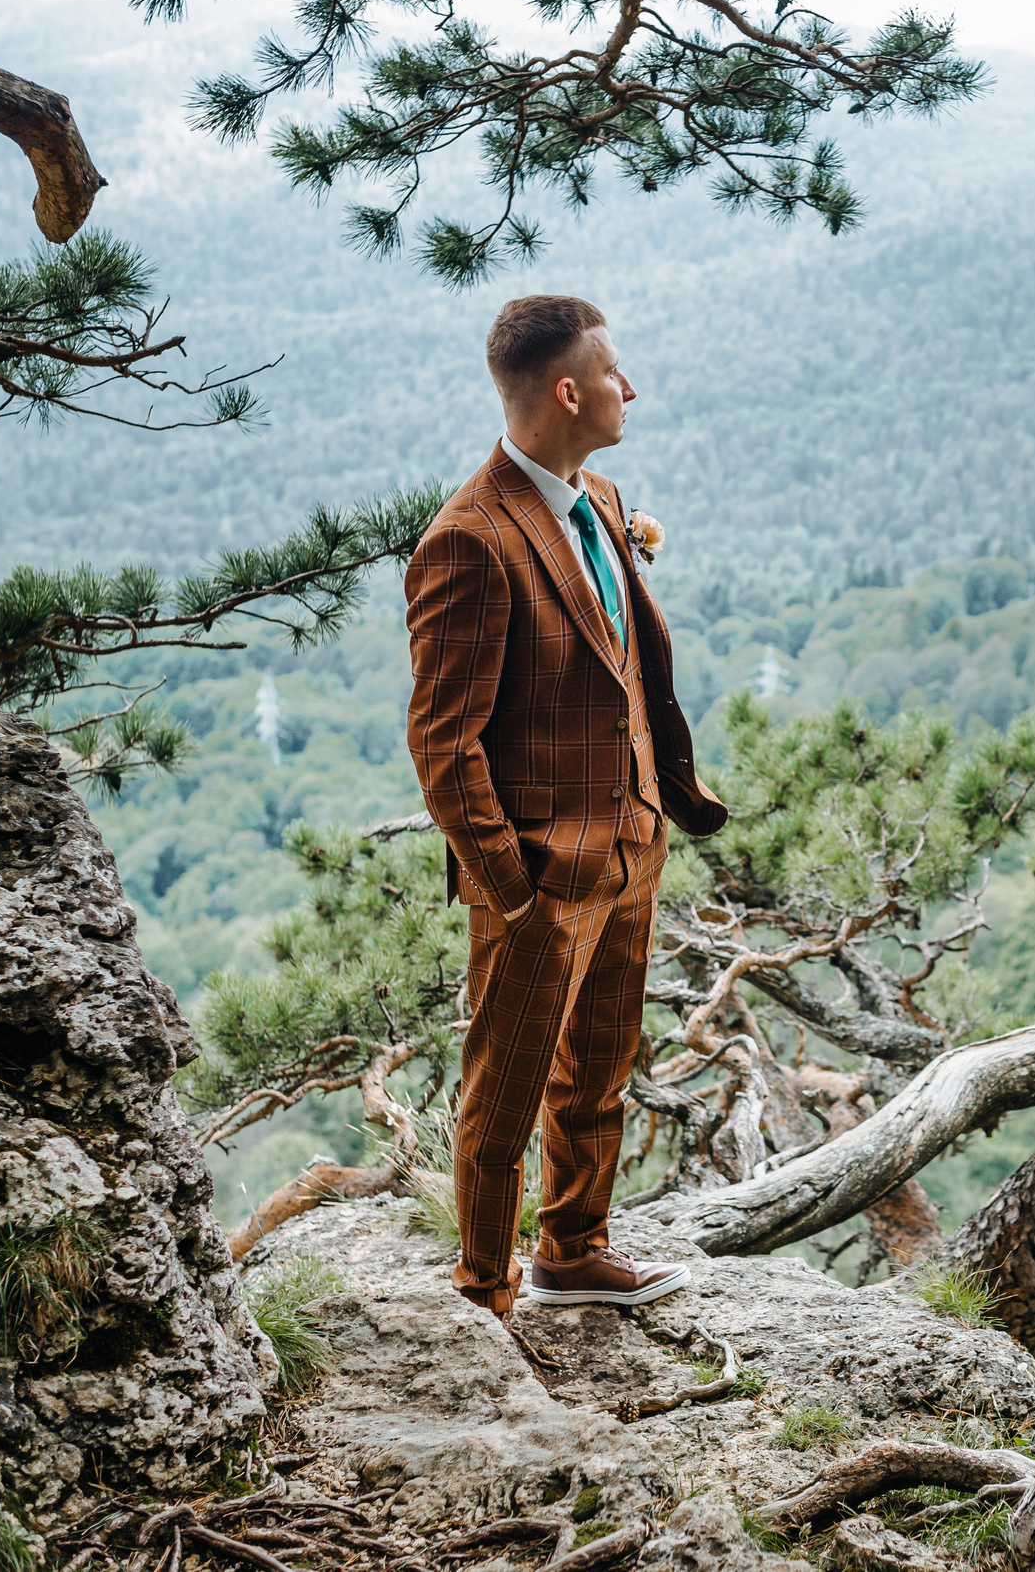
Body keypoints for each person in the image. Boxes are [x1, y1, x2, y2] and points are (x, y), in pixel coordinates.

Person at [404, 294, 725, 1324]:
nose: (632, 388)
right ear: (569, 392)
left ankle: (574, 1251)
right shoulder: (468, 541)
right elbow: (443, 744)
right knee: (503, 1095)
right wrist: (514, 888)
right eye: (614, 372)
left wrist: (654, 809)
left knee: (599, 1072)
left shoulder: (600, 497)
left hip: (631, 841)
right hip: (540, 876)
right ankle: (482, 1294)